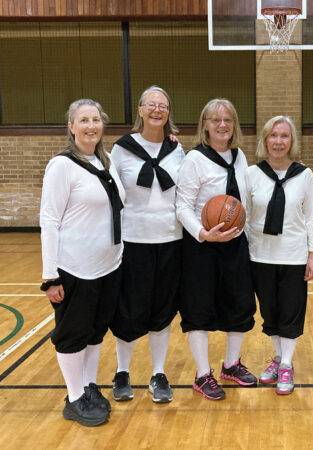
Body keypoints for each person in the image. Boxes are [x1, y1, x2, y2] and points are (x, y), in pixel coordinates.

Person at [39, 99, 125, 426]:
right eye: (83, 120)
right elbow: (49, 220)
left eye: (96, 119)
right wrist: (50, 276)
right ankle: (75, 397)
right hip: (75, 267)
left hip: (108, 265)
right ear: (71, 127)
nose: (91, 125)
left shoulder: (106, 162)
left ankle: (89, 386)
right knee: (72, 334)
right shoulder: (62, 165)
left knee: (94, 331)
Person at [176, 98, 257, 400]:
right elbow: (182, 205)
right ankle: (201, 374)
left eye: (228, 119)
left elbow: (245, 199)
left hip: (234, 244)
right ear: (205, 125)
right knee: (199, 309)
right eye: (215, 120)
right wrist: (202, 233)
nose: (222, 125)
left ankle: (231, 365)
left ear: (234, 124)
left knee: (240, 304)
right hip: (202, 247)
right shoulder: (194, 160)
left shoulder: (239, 157)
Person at [109, 86, 184, 403]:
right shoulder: (121, 149)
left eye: (163, 105)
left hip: (170, 240)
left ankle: (158, 373)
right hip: (133, 241)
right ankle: (122, 372)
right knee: (128, 309)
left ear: (169, 112)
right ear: (139, 110)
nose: (157, 110)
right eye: (150, 105)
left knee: (162, 310)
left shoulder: (178, 150)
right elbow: (111, 196)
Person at [245, 116, 313, 395]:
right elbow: (244, 214)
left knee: (291, 312)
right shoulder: (252, 174)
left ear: (292, 142)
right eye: (273, 136)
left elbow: (311, 217)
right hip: (260, 255)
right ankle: (278, 359)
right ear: (265, 140)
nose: (278, 141)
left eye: (284, 136)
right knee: (270, 314)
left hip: (293, 255)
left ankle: (287, 364)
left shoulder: (304, 174)